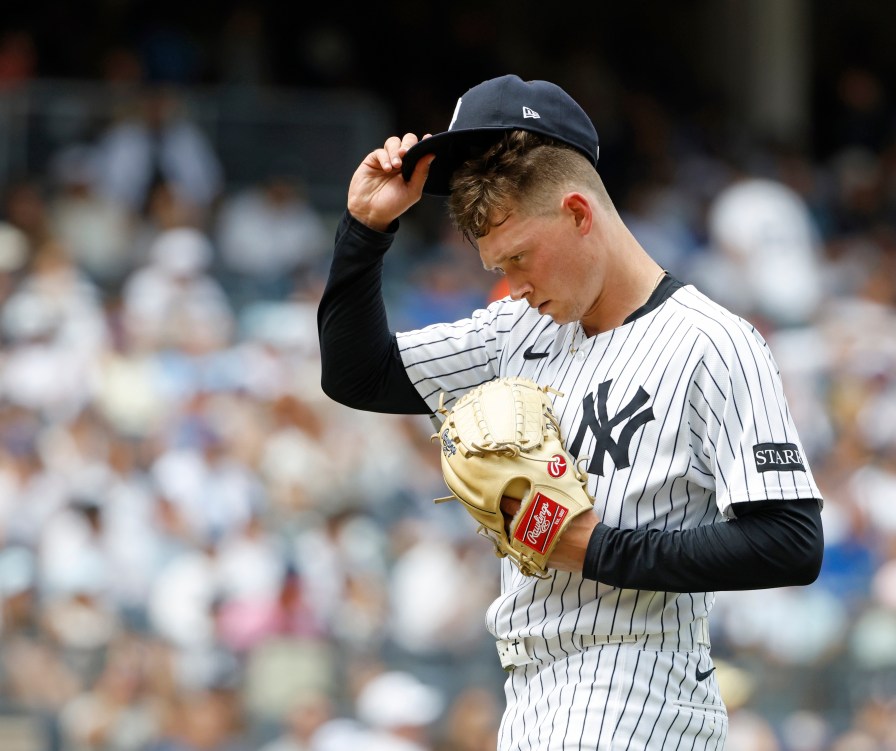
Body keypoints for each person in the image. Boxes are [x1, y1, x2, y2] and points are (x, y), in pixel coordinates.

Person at [318, 74, 825, 750]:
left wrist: (594, 545)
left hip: (633, 682)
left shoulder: (711, 342)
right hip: (532, 690)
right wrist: (366, 231)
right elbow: (359, 373)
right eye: (498, 264)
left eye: (521, 258)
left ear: (581, 213)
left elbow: (790, 540)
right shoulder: (518, 330)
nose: (515, 284)